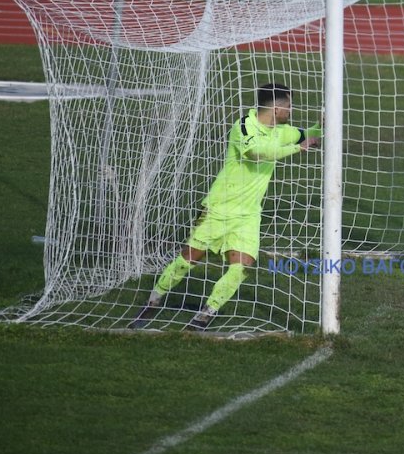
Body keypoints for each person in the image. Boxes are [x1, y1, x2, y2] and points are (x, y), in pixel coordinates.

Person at [130, 83, 321, 331]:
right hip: (219, 209)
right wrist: (298, 147)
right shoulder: (243, 127)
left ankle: (205, 314)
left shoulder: (280, 131)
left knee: (241, 268)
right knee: (187, 260)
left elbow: (308, 134)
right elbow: (257, 153)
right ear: (276, 108)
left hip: (248, 215)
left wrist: (323, 124)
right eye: (289, 106)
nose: (291, 111)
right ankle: (153, 300)